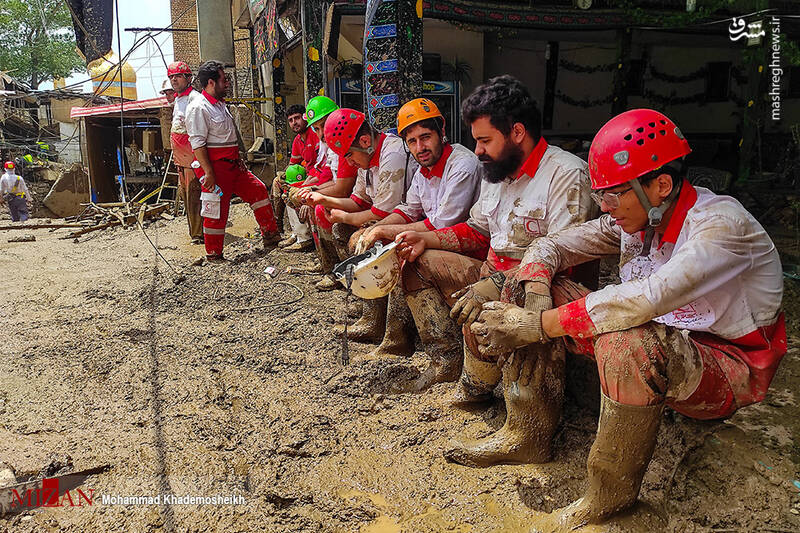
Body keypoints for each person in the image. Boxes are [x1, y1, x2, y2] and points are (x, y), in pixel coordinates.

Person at [467, 108, 786, 527]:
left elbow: (646, 298)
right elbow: (551, 245)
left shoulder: (719, 227)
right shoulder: (640, 220)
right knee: (523, 288)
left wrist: (538, 326)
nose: (606, 208)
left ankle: (609, 494)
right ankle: (527, 432)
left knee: (626, 342)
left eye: (614, 195)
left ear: (661, 185)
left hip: (724, 362)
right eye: (602, 196)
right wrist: (538, 290)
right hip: (665, 333)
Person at [394, 74, 597, 404]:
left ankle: (525, 409)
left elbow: (565, 267)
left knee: (509, 308)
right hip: (490, 274)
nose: (478, 151)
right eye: (476, 141)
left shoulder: (567, 175)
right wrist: (427, 241)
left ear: (517, 132)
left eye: (485, 140)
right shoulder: (496, 169)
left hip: (539, 290)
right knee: (415, 262)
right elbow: (477, 231)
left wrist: (497, 286)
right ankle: (453, 368)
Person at [354, 98, 482, 358]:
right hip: (444, 241)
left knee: (407, 255)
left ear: (441, 132)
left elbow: (441, 224)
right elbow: (408, 208)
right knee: (378, 240)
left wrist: (383, 232)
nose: (420, 147)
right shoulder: (425, 169)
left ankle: (443, 353)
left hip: (470, 248)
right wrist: (375, 229)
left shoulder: (462, 165)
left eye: (426, 137)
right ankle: (394, 336)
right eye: (412, 141)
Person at [299, 108, 418, 339]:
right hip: (391, 216)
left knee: (359, 238)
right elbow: (358, 199)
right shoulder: (368, 156)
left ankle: (379, 322)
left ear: (364, 141)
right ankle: (369, 300)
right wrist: (323, 199)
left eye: (349, 155)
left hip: (406, 219)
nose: (349, 162)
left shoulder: (391, 155)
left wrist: (345, 217)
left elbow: (382, 212)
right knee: (341, 230)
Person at [185, 60, 279, 262]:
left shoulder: (220, 105)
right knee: (216, 210)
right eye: (223, 79)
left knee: (258, 190)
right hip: (216, 170)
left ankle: (271, 237)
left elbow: (228, 138)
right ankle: (214, 255)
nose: (227, 83)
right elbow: (198, 144)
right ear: (211, 82)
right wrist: (208, 173)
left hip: (234, 166)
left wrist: (240, 159)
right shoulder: (198, 108)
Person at [292, 96, 358, 291]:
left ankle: (340, 272)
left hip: (358, 198)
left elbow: (343, 187)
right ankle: (329, 265)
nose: (321, 134)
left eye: (323, 126)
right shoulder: (328, 145)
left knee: (321, 209)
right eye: (317, 129)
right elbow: (329, 176)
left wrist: (312, 193)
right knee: (314, 206)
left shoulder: (342, 144)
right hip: (355, 195)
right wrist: (311, 190)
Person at [270, 104, 319, 252]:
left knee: (291, 190)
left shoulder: (315, 134)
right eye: (290, 120)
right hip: (307, 176)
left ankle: (304, 238)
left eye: (297, 118)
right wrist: (282, 178)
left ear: (305, 117)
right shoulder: (298, 140)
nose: (294, 122)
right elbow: (292, 164)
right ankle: (284, 229)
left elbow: (322, 166)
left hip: (318, 176)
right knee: (279, 183)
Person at [166, 61, 203, 244]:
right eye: (171, 76)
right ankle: (195, 232)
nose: (174, 79)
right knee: (186, 196)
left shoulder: (194, 99)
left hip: (192, 159)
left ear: (188, 78)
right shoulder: (178, 99)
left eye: (178, 76)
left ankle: (200, 234)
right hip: (181, 159)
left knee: (194, 195)